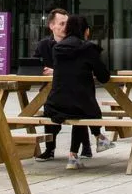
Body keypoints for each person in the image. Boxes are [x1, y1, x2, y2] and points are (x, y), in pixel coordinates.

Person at [44, 13, 113, 169]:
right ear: (86, 30)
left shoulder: (58, 48)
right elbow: (104, 77)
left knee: (78, 105)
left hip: (55, 105)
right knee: (83, 107)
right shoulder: (88, 48)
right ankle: (98, 138)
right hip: (80, 106)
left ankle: (75, 157)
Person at [34, 8, 68, 161]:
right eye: (61, 23)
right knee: (48, 106)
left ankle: (85, 146)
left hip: (70, 90)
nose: (65, 27)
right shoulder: (43, 45)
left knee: (52, 107)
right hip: (49, 90)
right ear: (51, 26)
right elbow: (34, 66)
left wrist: (57, 72)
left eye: (67, 23)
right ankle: (50, 148)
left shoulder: (74, 44)